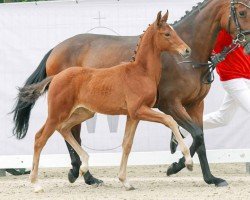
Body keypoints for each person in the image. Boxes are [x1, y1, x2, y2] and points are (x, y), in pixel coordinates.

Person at [170, 29, 250, 153]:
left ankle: (182, 129)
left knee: (223, 118)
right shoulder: (222, 29)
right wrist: (212, 54)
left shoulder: (241, 25)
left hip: (247, 77)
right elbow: (201, 46)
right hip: (233, 78)